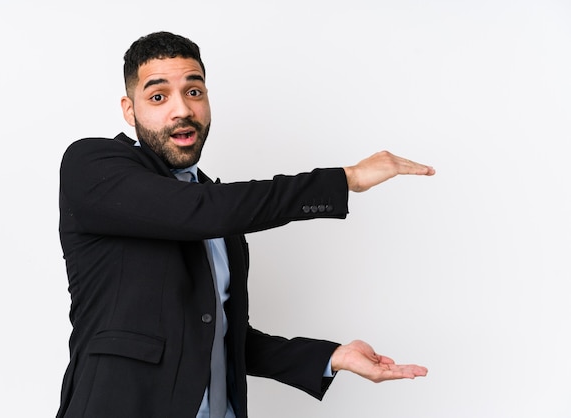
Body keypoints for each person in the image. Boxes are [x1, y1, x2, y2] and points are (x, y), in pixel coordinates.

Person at [56, 31, 434, 418]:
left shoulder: (222, 216)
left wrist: (331, 356)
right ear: (129, 109)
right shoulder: (92, 167)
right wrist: (344, 178)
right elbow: (199, 211)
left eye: (194, 92)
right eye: (158, 96)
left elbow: (222, 337)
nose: (182, 110)